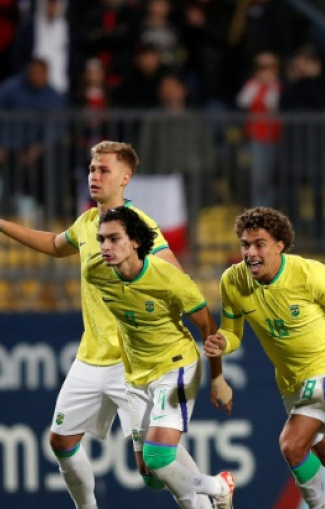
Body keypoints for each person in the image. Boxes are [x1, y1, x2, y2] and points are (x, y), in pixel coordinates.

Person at [0, 141, 201, 508]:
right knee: (61, 441)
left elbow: (174, 274)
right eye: (91, 169)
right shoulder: (90, 222)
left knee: (153, 470)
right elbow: (57, 245)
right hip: (90, 357)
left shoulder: (139, 226)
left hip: (130, 362)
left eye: (104, 170)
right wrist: (1, 225)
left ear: (125, 178)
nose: (94, 175)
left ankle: (208, 495)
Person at [204, 207, 325, 509]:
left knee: (292, 445)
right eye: (245, 244)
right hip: (291, 379)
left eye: (259, 244)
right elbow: (234, 334)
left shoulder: (309, 274)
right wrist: (222, 343)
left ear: (279, 245)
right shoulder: (233, 281)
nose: (250, 253)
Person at [84, 206, 235, 509]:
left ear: (135, 242)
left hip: (175, 366)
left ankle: (218, 486)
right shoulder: (95, 271)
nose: (105, 247)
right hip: (136, 375)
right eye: (101, 240)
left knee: (158, 456)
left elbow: (208, 325)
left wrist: (217, 378)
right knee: (152, 473)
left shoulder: (167, 278)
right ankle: (217, 489)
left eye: (114, 239)